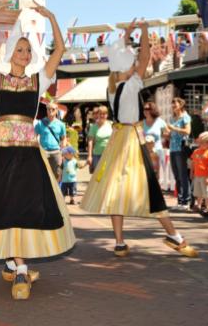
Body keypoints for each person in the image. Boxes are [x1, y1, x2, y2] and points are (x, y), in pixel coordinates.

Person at [0, 2, 75, 300]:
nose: (25, 53)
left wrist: (52, 17)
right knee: (2, 206)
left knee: (25, 206)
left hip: (28, 155)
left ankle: (17, 265)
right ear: (11, 52)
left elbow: (60, 49)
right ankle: (18, 266)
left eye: (28, 50)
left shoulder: (39, 80)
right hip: (0, 155)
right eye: (20, 49)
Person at [80, 18, 197, 259]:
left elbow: (123, 57)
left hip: (118, 140)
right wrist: (144, 31)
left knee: (116, 190)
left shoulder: (112, 87)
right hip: (132, 140)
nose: (136, 65)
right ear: (127, 66)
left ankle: (120, 242)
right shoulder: (131, 85)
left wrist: (126, 36)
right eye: (132, 62)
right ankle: (174, 236)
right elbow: (145, 58)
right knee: (150, 187)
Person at [166, 97, 192, 209]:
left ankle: (186, 201)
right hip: (172, 149)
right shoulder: (172, 118)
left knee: (183, 175)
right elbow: (171, 134)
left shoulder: (185, 117)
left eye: (175, 104)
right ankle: (180, 201)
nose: (173, 106)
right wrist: (166, 133)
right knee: (177, 176)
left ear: (181, 105)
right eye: (172, 105)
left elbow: (187, 131)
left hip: (181, 149)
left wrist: (174, 128)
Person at [34, 102, 66, 180]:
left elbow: (63, 138)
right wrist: (37, 149)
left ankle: (55, 188)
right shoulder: (40, 123)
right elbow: (34, 137)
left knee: (57, 174)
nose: (50, 111)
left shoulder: (61, 124)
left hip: (56, 152)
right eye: (49, 109)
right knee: (43, 174)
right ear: (46, 110)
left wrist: (63, 150)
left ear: (57, 110)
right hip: (44, 152)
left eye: (53, 109)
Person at [142, 101, 167, 182]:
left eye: (147, 109)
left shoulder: (159, 121)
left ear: (152, 110)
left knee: (158, 176)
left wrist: (163, 136)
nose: (145, 111)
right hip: (146, 153)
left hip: (158, 152)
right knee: (146, 176)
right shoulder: (141, 123)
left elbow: (168, 133)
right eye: (144, 109)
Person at [190, 139, 208, 213]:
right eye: (200, 143)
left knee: (207, 192)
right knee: (198, 192)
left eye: (203, 143)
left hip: (205, 176)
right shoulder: (196, 151)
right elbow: (193, 163)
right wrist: (191, 172)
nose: (201, 144)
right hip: (197, 175)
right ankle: (198, 206)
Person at [86, 105, 112, 173]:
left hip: (109, 154)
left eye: (104, 114)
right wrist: (89, 156)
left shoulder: (111, 125)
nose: (102, 115)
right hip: (97, 154)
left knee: (108, 174)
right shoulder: (93, 127)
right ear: (98, 115)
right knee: (98, 174)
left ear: (107, 115)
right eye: (100, 114)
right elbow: (90, 142)